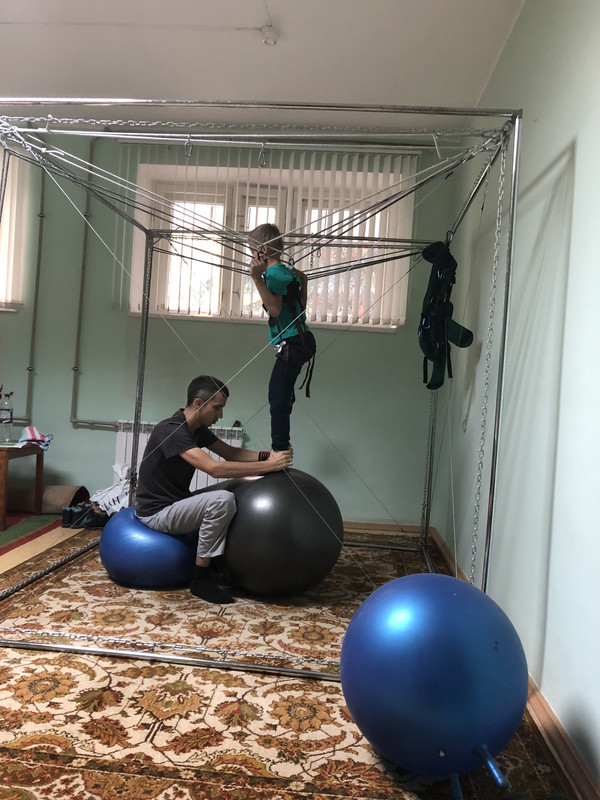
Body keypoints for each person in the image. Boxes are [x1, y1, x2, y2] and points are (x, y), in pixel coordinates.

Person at [134, 375, 293, 604]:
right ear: (198, 403)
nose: (220, 415)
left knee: (235, 487)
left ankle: (219, 562)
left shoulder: (197, 429)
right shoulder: (170, 430)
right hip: (156, 512)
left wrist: (270, 456)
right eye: (217, 408)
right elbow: (213, 468)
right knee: (221, 500)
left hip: (177, 501)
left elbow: (232, 453)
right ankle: (200, 580)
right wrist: (270, 466)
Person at [248, 223, 316, 452]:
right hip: (303, 340)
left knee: (276, 396)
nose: (251, 256)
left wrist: (257, 278)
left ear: (263, 250)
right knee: (281, 393)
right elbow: (301, 304)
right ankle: (282, 441)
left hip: (293, 343)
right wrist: (304, 281)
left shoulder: (274, 274)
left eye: (251, 251)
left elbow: (275, 309)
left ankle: (280, 449)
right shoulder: (288, 273)